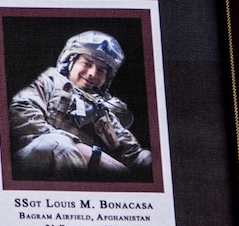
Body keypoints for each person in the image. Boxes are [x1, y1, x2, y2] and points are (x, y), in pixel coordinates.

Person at [9, 30, 153, 180]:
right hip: (33, 167)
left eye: (101, 70)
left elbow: (131, 153)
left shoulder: (103, 111)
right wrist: (89, 153)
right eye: (87, 63)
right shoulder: (47, 82)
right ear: (71, 61)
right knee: (58, 145)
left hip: (79, 176)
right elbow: (23, 120)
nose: (92, 73)